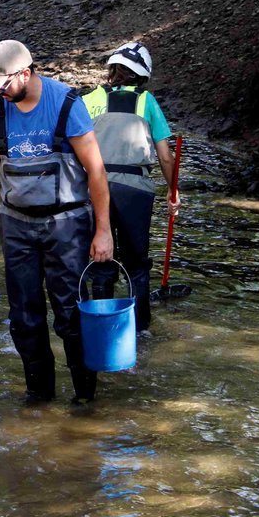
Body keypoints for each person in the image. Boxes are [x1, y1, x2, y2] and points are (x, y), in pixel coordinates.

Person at [0, 40, 113, 405]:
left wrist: (103, 230)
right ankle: (39, 398)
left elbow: (95, 171)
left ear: (26, 74)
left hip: (66, 224)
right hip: (16, 225)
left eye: (4, 86)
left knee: (69, 316)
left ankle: (84, 400)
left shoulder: (66, 103)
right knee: (25, 319)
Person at [82, 41, 180, 332]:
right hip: (135, 191)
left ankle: (100, 328)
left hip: (94, 188)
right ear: (142, 74)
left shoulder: (89, 100)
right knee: (136, 264)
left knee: (100, 261)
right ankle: (141, 332)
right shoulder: (147, 102)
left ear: (112, 70)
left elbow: (74, 148)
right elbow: (165, 156)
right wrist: (173, 191)